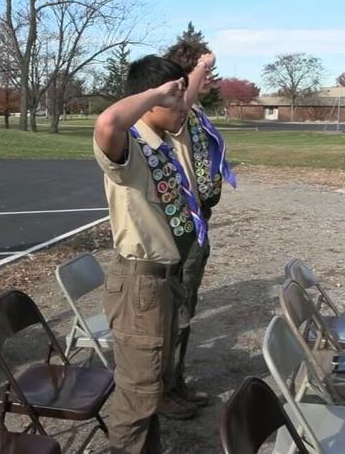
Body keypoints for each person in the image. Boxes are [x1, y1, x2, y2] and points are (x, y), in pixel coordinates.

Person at [93, 55, 203, 453]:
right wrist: (158, 91)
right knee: (137, 396)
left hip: (164, 280)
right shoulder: (131, 145)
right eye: (173, 98)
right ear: (150, 98)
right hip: (141, 283)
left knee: (153, 385)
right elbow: (107, 123)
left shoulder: (163, 143)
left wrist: (191, 77)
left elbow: (182, 103)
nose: (183, 106)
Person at [160, 50, 237, 415]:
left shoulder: (197, 112)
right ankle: (166, 387)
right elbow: (183, 102)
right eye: (200, 73)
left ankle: (176, 380)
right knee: (177, 310)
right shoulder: (175, 112)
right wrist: (200, 65)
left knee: (186, 304)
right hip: (181, 224)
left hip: (198, 217)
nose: (208, 78)